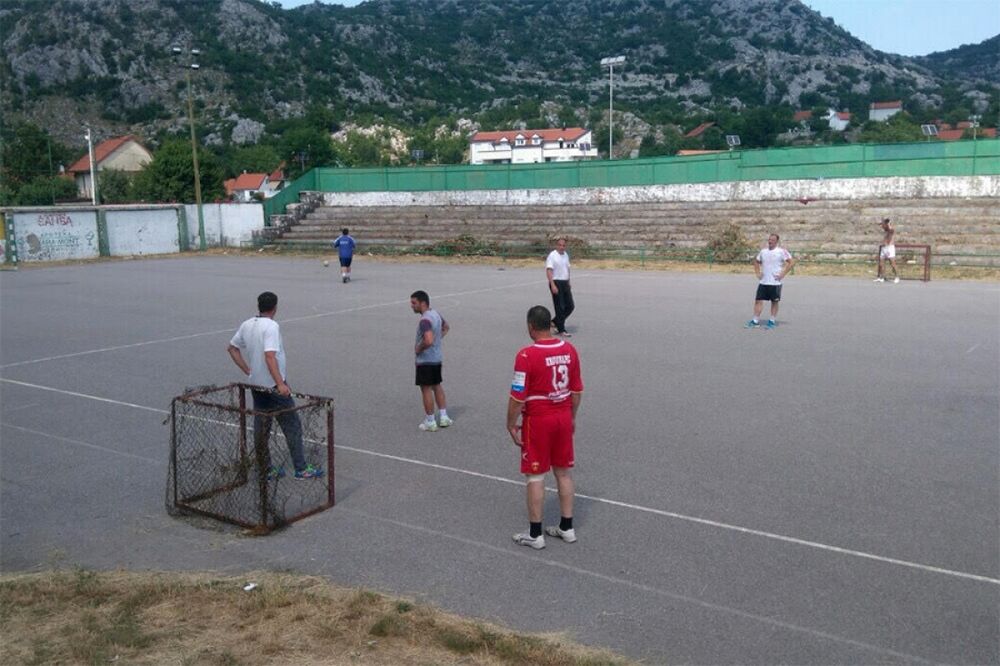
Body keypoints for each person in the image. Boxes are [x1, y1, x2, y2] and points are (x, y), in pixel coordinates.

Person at [507, 305, 583, 549]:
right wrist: (571, 417)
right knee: (563, 471)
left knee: (535, 474)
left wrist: (510, 423)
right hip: (562, 414)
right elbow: (577, 390)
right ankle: (567, 526)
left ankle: (535, 533)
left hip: (538, 420)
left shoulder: (526, 355)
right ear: (550, 324)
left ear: (531, 326)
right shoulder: (569, 350)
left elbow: (518, 396)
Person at [227, 291, 323, 480]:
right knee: (292, 425)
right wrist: (280, 384)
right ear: (275, 308)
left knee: (261, 427)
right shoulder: (271, 326)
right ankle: (301, 468)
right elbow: (270, 356)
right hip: (272, 385)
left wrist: (248, 371)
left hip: (256, 385)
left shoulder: (247, 324)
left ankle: (265, 468)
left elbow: (232, 348)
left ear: (259, 306)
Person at [410, 290, 452, 432]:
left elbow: (428, 340)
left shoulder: (425, 320)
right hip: (436, 358)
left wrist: (419, 348)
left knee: (426, 389)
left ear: (423, 303)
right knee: (437, 386)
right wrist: (437, 341)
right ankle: (444, 417)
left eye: (414, 303)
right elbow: (446, 327)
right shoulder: (436, 314)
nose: (412, 306)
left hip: (425, 360)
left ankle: (430, 421)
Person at [745, 234, 795, 330]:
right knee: (758, 301)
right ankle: (755, 321)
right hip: (763, 282)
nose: (770, 241)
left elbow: (791, 262)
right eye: (769, 239)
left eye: (772, 240)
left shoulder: (781, 251)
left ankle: (771, 321)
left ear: (777, 241)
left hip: (775, 282)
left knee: (774, 302)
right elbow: (756, 261)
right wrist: (758, 273)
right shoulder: (763, 251)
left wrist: (783, 274)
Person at [545, 237, 574, 337]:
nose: (562, 247)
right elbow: (549, 270)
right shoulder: (552, 256)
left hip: (565, 282)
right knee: (560, 307)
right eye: (560, 245)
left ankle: (554, 322)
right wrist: (552, 284)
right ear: (557, 245)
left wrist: (569, 281)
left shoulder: (565, 255)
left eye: (563, 245)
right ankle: (561, 329)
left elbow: (567, 268)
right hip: (556, 282)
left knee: (570, 306)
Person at [875, 218, 899, 283]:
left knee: (892, 263)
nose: (881, 226)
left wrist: (888, 223)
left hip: (890, 248)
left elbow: (891, 231)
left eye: (882, 224)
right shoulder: (885, 229)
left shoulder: (891, 229)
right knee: (881, 263)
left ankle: (897, 277)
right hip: (884, 248)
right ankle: (882, 277)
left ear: (886, 224)